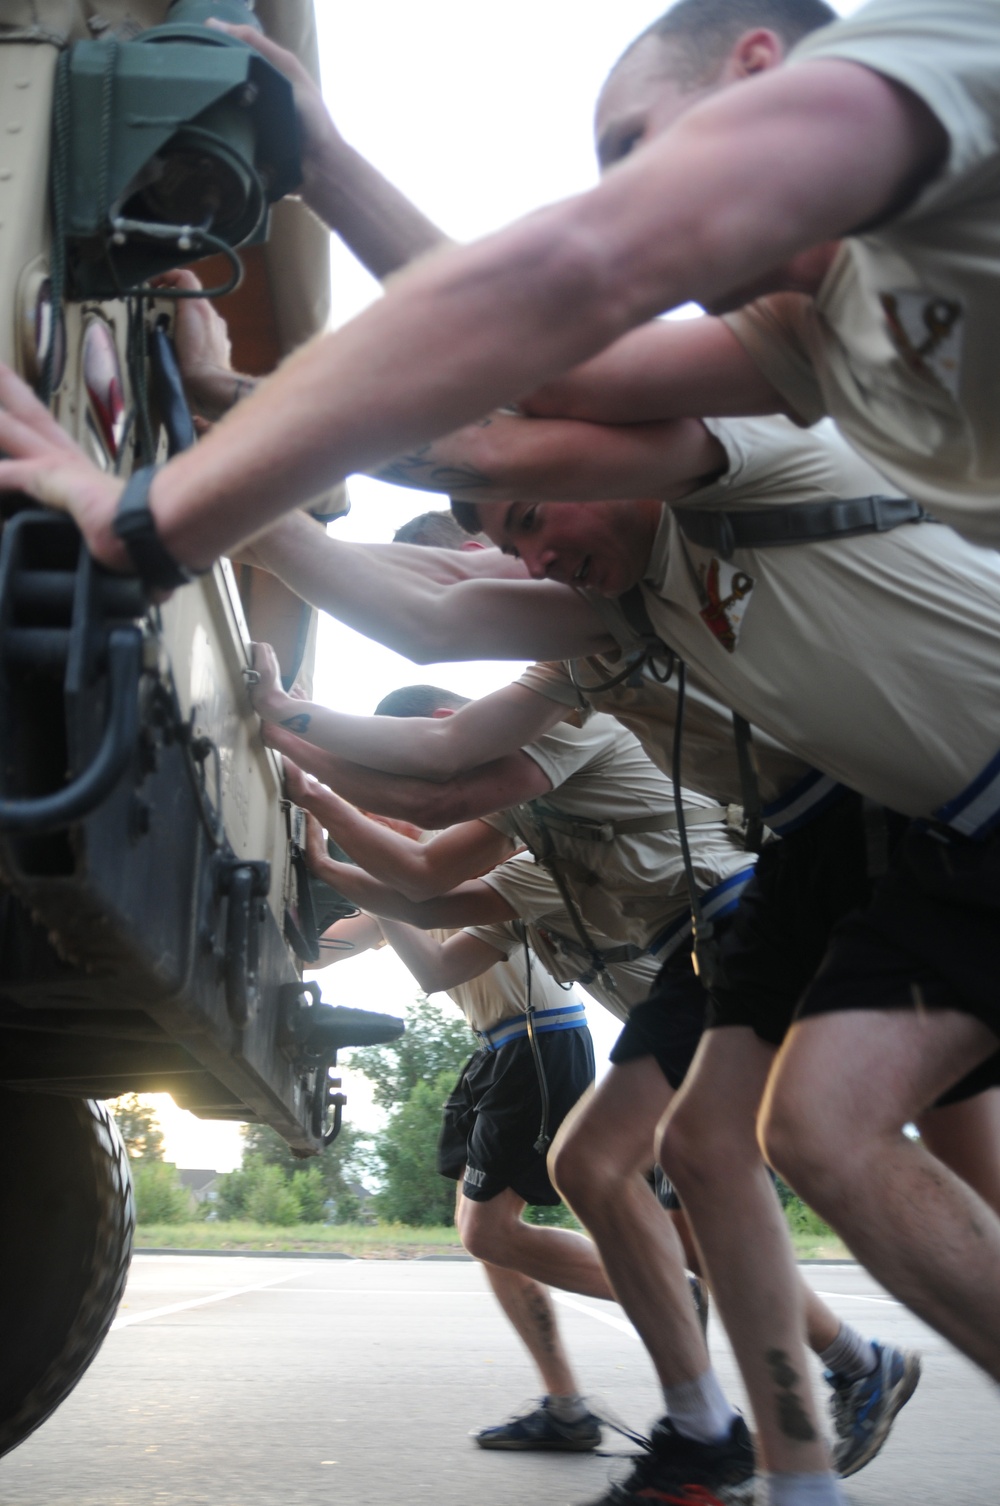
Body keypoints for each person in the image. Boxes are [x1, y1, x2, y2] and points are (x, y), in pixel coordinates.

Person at [3, 1, 999, 581]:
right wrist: (325, 168)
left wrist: (147, 516)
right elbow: (564, 377)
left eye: (634, 148)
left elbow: (574, 274)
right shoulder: (822, 328)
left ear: (757, 67)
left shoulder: (936, 47)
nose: (631, 194)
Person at [310, 859, 609, 1456]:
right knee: (489, 1237)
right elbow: (318, 953)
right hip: (501, 1046)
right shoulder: (391, 892)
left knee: (486, 1233)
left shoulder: (463, 858)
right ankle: (567, 1408)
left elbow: (435, 968)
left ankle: (662, 1285)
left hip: (538, 1036)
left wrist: (380, 887)